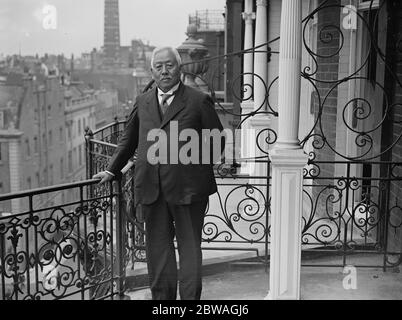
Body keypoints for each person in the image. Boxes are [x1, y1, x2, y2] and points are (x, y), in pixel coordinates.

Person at [93, 46, 224, 300]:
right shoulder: (143, 102)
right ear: (152, 71)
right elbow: (128, 140)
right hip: (152, 189)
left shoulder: (198, 101)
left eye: (170, 65)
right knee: (158, 252)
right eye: (159, 66)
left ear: (179, 67)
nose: (164, 71)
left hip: (189, 191)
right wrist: (111, 170)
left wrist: (191, 163)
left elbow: (216, 142)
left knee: (189, 252)